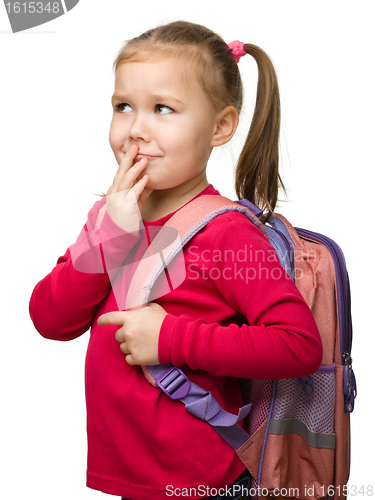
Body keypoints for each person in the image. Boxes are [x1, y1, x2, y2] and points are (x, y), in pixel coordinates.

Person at [29, 20, 322, 500]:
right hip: (132, 479)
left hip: (204, 483)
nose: (136, 129)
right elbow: (50, 319)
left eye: (163, 109)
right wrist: (108, 240)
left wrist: (170, 338)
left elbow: (297, 346)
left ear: (220, 127)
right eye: (123, 106)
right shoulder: (112, 215)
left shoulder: (228, 234)